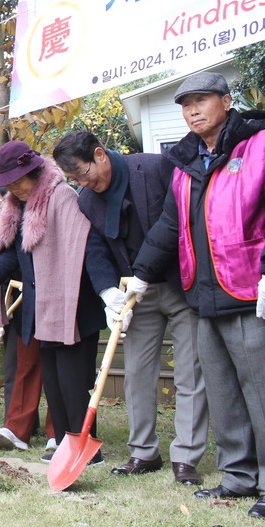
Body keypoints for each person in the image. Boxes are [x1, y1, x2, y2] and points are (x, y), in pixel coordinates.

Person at [129, 72, 265, 518]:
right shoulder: (185, 163)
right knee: (223, 392)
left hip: (249, 291)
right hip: (203, 294)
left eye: (201, 100)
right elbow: (170, 226)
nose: (191, 110)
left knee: (259, 390)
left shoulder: (257, 146)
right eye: (184, 103)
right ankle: (238, 477)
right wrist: (140, 275)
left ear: (226, 102)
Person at [53, 130, 208, 485]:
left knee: (190, 373)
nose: (82, 183)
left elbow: (181, 221)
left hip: (181, 283)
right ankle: (143, 452)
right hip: (135, 294)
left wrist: (146, 271)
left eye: (82, 173)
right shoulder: (86, 200)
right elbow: (93, 249)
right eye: (73, 179)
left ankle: (186, 456)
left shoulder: (155, 168)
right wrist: (108, 292)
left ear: (100, 154)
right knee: (137, 373)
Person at [0, 141, 118, 464]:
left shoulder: (62, 196)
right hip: (41, 308)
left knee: (73, 380)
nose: (14, 189)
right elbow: (15, 252)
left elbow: (88, 244)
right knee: (53, 382)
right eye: (9, 184)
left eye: (18, 181)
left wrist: (107, 292)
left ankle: (85, 445)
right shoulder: (19, 205)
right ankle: (62, 442)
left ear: (35, 171)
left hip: (73, 305)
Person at [0, 179, 54, 452]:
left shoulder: (55, 200)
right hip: (28, 300)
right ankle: (16, 430)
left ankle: (58, 432)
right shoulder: (13, 213)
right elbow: (10, 253)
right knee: (25, 364)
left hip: (59, 298)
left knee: (56, 366)